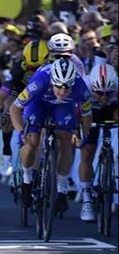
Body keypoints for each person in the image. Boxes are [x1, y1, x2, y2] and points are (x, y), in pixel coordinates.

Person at [10, 58, 92, 215]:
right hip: (38, 104)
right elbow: (15, 108)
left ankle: (61, 190)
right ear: (52, 81)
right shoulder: (40, 81)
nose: (62, 92)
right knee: (32, 141)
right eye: (59, 87)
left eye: (67, 88)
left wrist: (83, 134)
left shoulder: (81, 88)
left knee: (65, 141)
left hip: (63, 107)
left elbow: (87, 116)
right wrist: (21, 131)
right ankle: (27, 181)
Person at [0, 40, 49, 177]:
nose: (35, 71)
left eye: (38, 67)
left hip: (43, 91)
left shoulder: (53, 66)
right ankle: (6, 151)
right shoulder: (18, 68)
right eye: (31, 68)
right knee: (8, 107)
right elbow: (0, 97)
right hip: (21, 89)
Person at [77, 63, 117, 222]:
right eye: (99, 93)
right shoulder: (83, 86)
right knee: (87, 152)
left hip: (111, 110)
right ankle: (87, 199)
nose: (104, 97)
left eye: (108, 93)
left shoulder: (116, 87)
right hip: (88, 112)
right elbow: (77, 114)